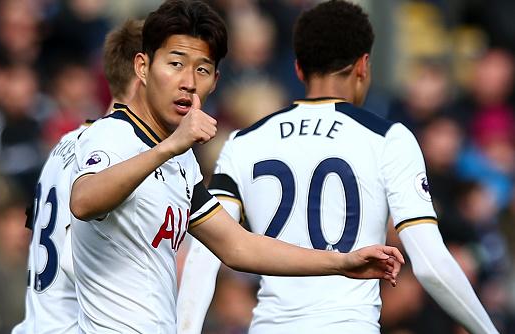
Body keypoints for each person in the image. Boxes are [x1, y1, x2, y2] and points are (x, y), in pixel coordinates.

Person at [68, 1, 404, 333]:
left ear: (215, 81)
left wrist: (341, 262)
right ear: (142, 67)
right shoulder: (111, 132)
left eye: (202, 69)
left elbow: (237, 245)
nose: (188, 81)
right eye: (175, 63)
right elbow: (84, 200)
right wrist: (171, 145)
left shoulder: (181, 161)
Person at [177, 1, 499, 334]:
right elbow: (431, 264)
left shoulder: (244, 141)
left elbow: (204, 254)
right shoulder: (388, 138)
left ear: (299, 69)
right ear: (363, 65)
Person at [12, 19, 144, 334]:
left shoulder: (68, 142)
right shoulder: (121, 152)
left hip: (41, 321)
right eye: (175, 67)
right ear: (144, 73)